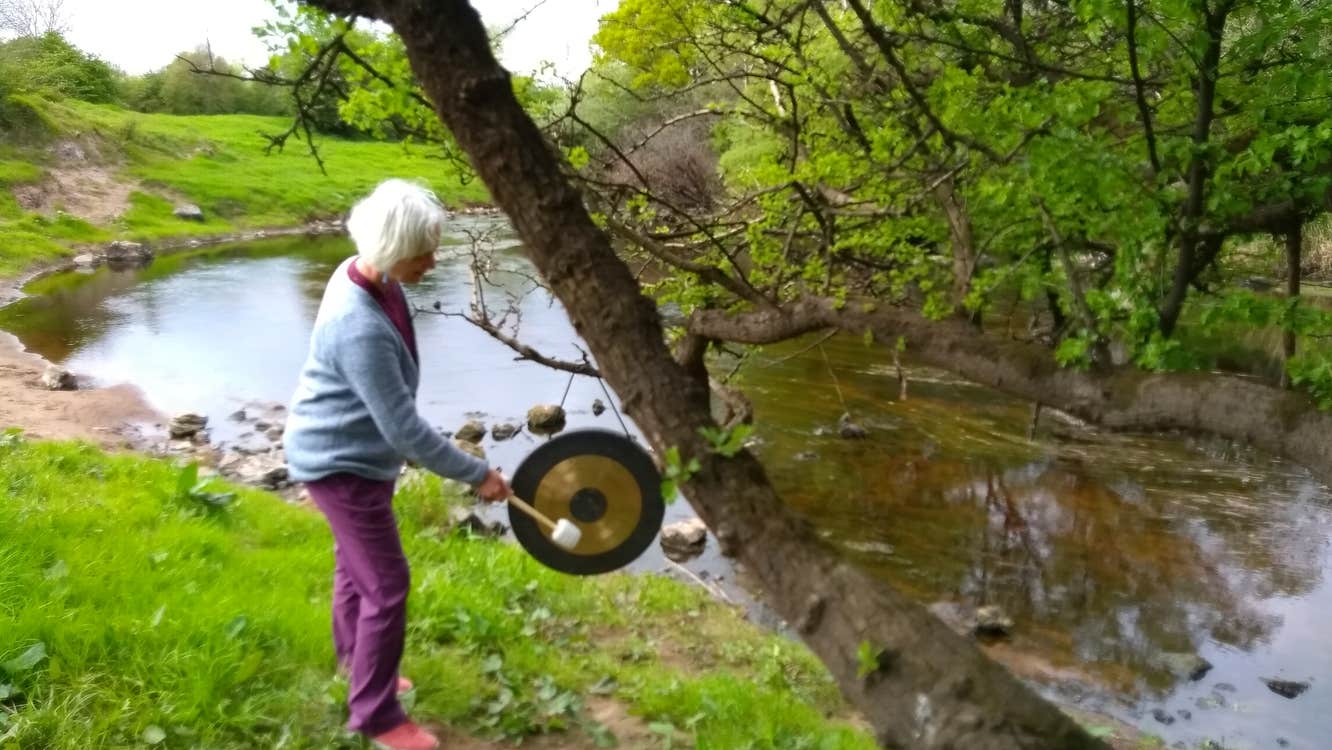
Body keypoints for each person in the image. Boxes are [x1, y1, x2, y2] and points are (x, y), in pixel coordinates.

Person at [283, 178, 511, 750]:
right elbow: (405, 430)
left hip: (353, 454)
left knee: (353, 569)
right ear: (388, 251)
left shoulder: (367, 273)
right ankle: (376, 716)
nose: (432, 262)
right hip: (341, 464)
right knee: (387, 586)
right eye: (423, 253)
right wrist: (476, 472)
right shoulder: (357, 325)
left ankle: (355, 663)